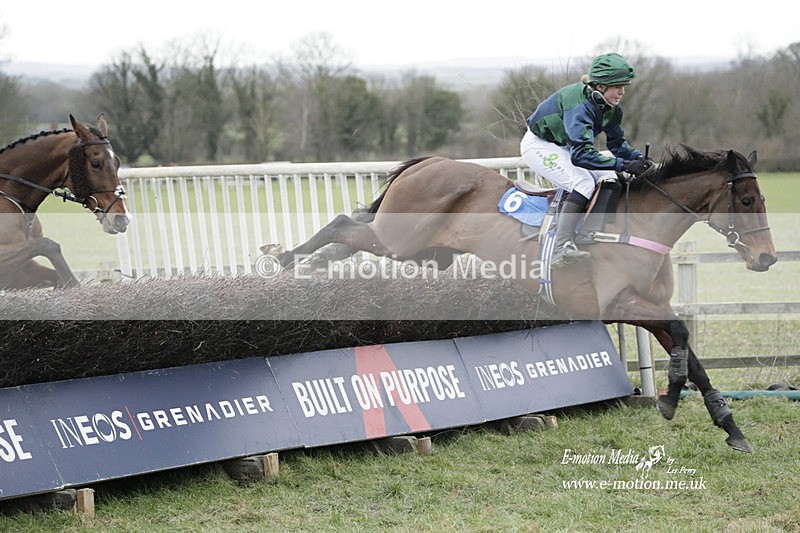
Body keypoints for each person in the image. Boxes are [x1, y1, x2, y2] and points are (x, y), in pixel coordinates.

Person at [520, 52, 654, 268]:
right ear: (600, 86)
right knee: (583, 182)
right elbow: (581, 155)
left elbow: (617, 145)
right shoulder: (580, 106)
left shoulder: (611, 109)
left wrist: (637, 157)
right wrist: (625, 165)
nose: (622, 92)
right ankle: (560, 248)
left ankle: (588, 235)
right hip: (539, 145)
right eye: (617, 86)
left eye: (624, 86)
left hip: (565, 144)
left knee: (611, 179)